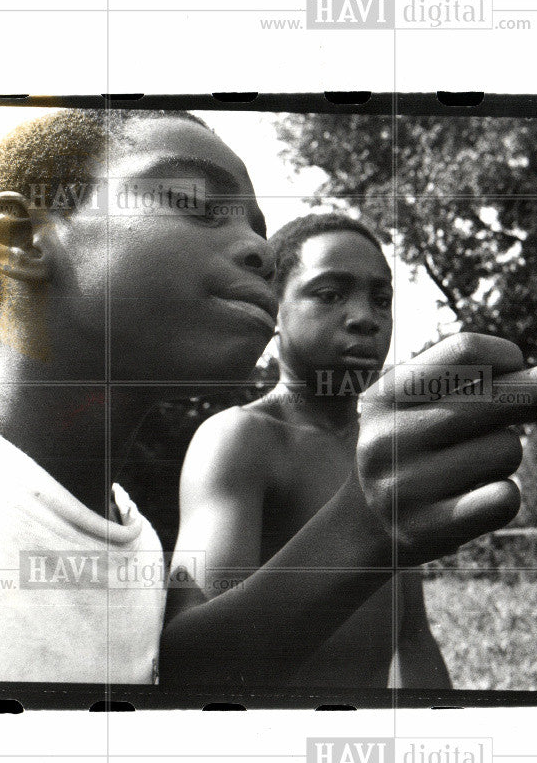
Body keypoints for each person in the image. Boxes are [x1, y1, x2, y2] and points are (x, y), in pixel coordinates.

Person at [0, 108, 537, 686]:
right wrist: (365, 527)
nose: (261, 252)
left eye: (382, 298)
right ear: (22, 239)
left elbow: (411, 637)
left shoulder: (129, 539)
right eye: (194, 201)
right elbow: (194, 671)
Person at [171, 213, 450, 688]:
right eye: (329, 294)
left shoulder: (388, 449)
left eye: (380, 300)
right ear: (274, 309)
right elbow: (192, 657)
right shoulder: (242, 440)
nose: (364, 317)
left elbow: (413, 636)